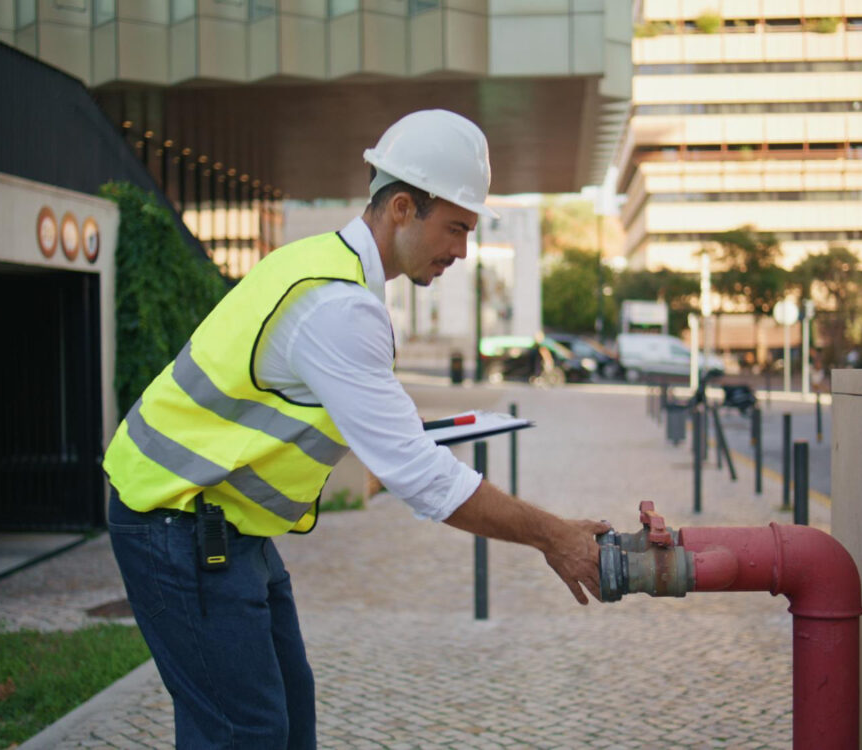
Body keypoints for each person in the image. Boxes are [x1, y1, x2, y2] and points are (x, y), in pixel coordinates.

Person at [104, 109, 609, 749]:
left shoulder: (325, 267)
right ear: (402, 207)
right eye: (455, 227)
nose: (461, 251)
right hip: (174, 522)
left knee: (287, 719)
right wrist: (554, 537)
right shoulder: (338, 306)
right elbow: (424, 483)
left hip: (223, 525)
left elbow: (330, 409)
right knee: (246, 733)